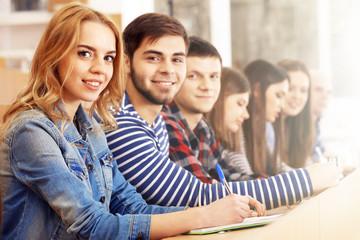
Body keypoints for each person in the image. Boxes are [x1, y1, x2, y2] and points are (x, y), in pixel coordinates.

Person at [0, 4, 264, 240]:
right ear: (54, 56)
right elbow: (94, 226)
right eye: (84, 53)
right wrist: (203, 217)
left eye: (108, 58)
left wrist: (215, 212)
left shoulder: (92, 127)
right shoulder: (31, 130)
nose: (100, 68)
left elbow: (132, 207)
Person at [106, 19, 335, 212]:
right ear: (126, 62)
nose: (168, 69)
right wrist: (305, 181)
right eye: (153, 58)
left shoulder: (154, 121)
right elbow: (198, 196)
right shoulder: (122, 125)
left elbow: (227, 175)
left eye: (177, 59)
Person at [242, 59, 291, 176]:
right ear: (257, 90)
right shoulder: (236, 128)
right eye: (278, 96)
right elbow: (245, 179)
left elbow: (278, 167)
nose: (282, 105)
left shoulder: (260, 128)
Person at [206, 67, 254, 180]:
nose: (246, 115)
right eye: (240, 104)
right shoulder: (202, 137)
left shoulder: (226, 138)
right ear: (218, 99)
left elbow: (244, 179)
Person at [277, 59, 314, 168]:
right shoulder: (266, 128)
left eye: (303, 90)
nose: (297, 96)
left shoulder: (297, 127)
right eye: (290, 88)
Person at [310, 69, 333, 161]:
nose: (325, 97)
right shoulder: (295, 127)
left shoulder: (316, 122)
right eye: (319, 90)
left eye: (329, 92)